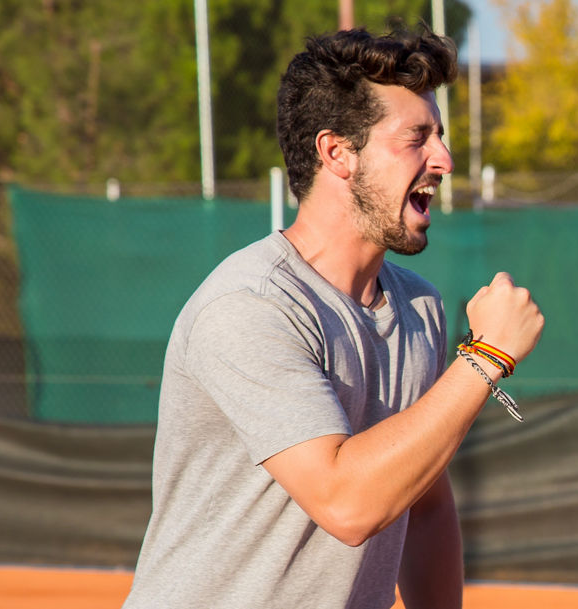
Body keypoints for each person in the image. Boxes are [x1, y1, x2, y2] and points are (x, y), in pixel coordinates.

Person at [123, 27, 543, 609]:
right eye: (417, 137)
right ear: (336, 152)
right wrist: (486, 358)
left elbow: (424, 503)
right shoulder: (250, 307)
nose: (443, 160)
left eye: (439, 136)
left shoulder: (419, 308)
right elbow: (348, 504)